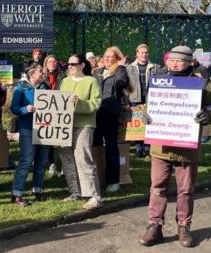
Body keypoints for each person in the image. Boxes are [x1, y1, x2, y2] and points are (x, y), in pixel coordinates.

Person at [139, 45, 211, 248]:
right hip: (160, 146)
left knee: (186, 190)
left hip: (186, 147)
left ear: (190, 61)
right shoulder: (158, 79)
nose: (174, 63)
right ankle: (155, 226)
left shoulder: (201, 83)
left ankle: (184, 226)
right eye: (171, 59)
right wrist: (146, 114)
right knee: (157, 188)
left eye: (180, 60)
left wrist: (207, 115)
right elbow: (150, 104)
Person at [59, 55, 103, 209]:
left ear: (82, 65)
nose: (69, 67)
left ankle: (94, 196)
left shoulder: (92, 81)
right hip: (64, 125)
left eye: (73, 64)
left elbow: (96, 103)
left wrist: (80, 103)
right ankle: (75, 192)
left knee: (83, 157)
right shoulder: (64, 82)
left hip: (84, 124)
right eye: (67, 64)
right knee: (67, 157)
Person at [10, 63, 51, 205]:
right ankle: (17, 193)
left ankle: (37, 189)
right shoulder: (21, 88)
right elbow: (14, 108)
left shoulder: (45, 87)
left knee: (41, 161)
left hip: (45, 128)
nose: (43, 73)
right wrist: (25, 109)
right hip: (27, 128)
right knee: (26, 160)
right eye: (40, 71)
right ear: (32, 74)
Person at [93, 46, 129, 193]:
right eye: (105, 56)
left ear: (117, 58)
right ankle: (96, 179)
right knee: (95, 146)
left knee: (111, 148)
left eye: (110, 56)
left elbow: (121, 84)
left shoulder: (120, 72)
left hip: (110, 114)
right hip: (95, 113)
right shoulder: (98, 72)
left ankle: (113, 181)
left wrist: (120, 67)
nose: (106, 58)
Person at [126, 44, 159, 157]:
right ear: (137, 53)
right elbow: (126, 86)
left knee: (149, 123)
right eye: (142, 52)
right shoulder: (129, 68)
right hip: (135, 99)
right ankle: (139, 148)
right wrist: (127, 101)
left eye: (146, 52)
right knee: (137, 125)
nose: (144, 54)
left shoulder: (155, 67)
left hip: (150, 99)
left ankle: (147, 147)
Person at [42, 54, 64, 176]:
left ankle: (65, 165)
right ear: (46, 63)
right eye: (50, 61)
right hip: (46, 111)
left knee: (62, 138)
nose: (52, 63)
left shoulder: (63, 76)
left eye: (54, 61)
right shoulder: (42, 76)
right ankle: (51, 163)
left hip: (60, 110)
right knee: (48, 138)